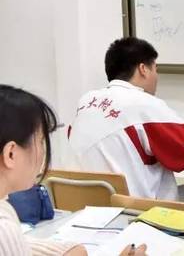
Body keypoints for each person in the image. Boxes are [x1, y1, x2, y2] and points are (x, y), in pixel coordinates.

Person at [68, 37, 184, 228]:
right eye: (155, 69)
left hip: (89, 214)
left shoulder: (86, 101)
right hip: (139, 214)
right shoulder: (144, 104)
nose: (156, 76)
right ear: (143, 69)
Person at [0, 84, 146, 256]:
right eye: (40, 140)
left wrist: (69, 251)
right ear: (11, 154)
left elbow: (22, 244)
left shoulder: (4, 209)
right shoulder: (4, 228)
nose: (43, 150)